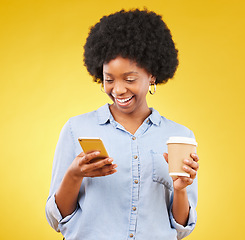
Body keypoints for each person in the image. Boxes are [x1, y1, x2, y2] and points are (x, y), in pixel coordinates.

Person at [45, 9, 199, 240]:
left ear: (153, 75)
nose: (118, 90)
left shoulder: (178, 136)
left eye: (129, 79)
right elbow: (58, 219)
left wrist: (180, 189)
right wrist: (74, 175)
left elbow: (181, 228)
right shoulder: (77, 129)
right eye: (109, 79)